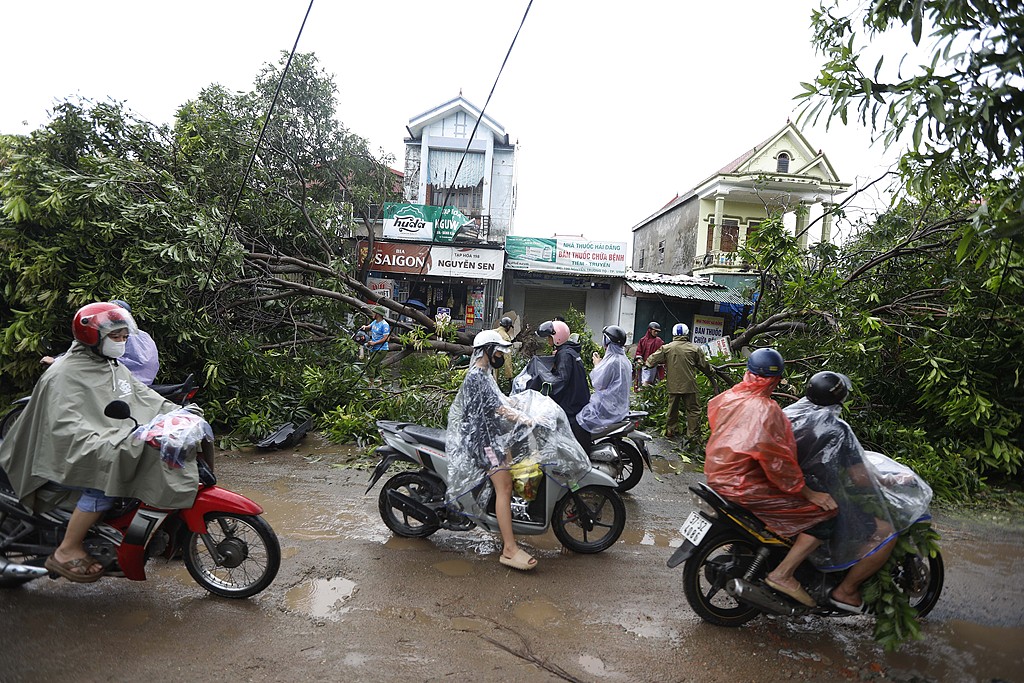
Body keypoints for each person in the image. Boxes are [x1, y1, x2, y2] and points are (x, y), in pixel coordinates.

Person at [0, 302, 203, 582]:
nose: (121, 343)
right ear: (93, 338)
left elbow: (142, 396)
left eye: (123, 337)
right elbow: (65, 429)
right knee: (105, 484)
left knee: (138, 462)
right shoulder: (62, 374)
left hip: (102, 438)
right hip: (55, 456)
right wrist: (113, 442)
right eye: (115, 337)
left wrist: (178, 413)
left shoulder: (110, 365)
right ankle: (66, 550)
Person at [703, 348, 838, 607]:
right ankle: (783, 574)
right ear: (776, 381)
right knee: (823, 515)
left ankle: (746, 550)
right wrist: (809, 493)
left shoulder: (727, 397)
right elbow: (780, 465)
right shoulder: (768, 410)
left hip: (717, 475)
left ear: (746, 372)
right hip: (744, 484)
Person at [784, 371, 921, 613]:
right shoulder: (837, 430)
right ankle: (846, 591)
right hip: (817, 496)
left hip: (788, 490)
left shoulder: (789, 415)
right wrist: (890, 480)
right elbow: (860, 477)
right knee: (886, 532)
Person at [447, 330, 538, 570]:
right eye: (498, 351)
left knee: (506, 479)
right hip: (483, 442)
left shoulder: (485, 373)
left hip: (492, 436)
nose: (501, 355)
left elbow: (499, 401)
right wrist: (524, 419)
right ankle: (509, 549)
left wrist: (520, 404)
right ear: (486, 350)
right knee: (505, 487)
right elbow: (498, 408)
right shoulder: (477, 376)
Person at [41, 299, 160, 385]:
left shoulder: (116, 365)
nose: (120, 340)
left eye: (123, 337)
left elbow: (90, 358)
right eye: (116, 337)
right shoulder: (143, 336)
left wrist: (57, 361)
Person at [645, 323, 720, 442]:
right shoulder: (694, 348)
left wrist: (644, 364)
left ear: (674, 334)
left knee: (672, 409)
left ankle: (670, 430)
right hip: (690, 386)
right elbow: (704, 366)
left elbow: (650, 361)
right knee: (693, 410)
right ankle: (692, 436)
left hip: (673, 385)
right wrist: (712, 372)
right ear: (686, 333)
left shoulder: (667, 348)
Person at [575, 325, 633, 451]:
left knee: (579, 421)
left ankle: (583, 452)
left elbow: (598, 383)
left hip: (607, 406)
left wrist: (597, 365)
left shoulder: (612, 361)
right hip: (618, 405)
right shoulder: (624, 360)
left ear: (606, 341)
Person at [534, 320, 590, 445]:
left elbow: (561, 380)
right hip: (579, 400)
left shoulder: (564, 355)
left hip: (572, 405)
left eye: (549, 337)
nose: (548, 340)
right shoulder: (569, 351)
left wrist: (546, 389)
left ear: (557, 337)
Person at [635, 322, 664, 387]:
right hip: (644, 366)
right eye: (655, 331)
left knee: (654, 385)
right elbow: (638, 352)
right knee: (643, 384)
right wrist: (639, 359)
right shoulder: (642, 340)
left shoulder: (659, 341)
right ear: (650, 330)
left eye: (657, 331)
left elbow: (662, 353)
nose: (656, 333)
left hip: (655, 366)